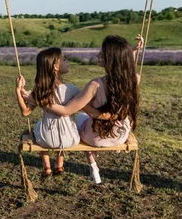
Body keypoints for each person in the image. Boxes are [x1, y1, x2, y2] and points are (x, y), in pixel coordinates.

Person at [44, 35, 142, 184]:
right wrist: (132, 52)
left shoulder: (95, 85)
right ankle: (94, 164)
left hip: (96, 138)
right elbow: (127, 69)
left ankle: (92, 164)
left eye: (102, 54)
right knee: (88, 117)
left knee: (80, 121)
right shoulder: (134, 79)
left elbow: (65, 111)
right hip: (120, 135)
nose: (98, 55)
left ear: (111, 60)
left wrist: (41, 101)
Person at [16, 47, 97, 177]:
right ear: (55, 67)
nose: (67, 61)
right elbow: (87, 110)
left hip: (46, 139)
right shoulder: (71, 89)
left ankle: (46, 166)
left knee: (39, 126)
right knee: (66, 126)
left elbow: (25, 112)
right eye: (64, 59)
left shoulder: (40, 90)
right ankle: (59, 164)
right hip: (71, 139)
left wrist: (18, 91)